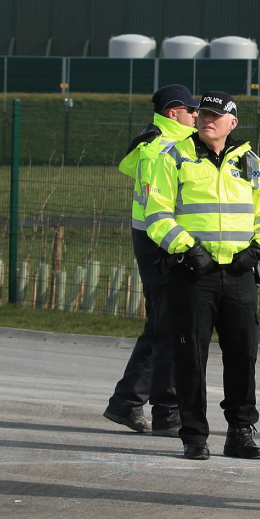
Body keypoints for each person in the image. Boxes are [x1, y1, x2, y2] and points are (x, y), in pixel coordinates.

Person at [136, 90, 260, 461]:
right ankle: (194, 436)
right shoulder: (174, 158)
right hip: (193, 273)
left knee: (243, 355)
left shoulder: (249, 162)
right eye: (202, 114)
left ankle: (240, 432)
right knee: (191, 355)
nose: (206, 119)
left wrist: (258, 248)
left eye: (216, 115)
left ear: (232, 123)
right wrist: (188, 249)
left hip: (239, 273)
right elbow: (156, 215)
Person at [102, 84, 199, 437]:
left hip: (153, 239)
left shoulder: (156, 140)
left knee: (161, 327)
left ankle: (128, 401)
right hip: (160, 242)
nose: (196, 115)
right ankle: (164, 412)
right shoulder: (165, 147)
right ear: (174, 113)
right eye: (191, 110)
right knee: (169, 329)